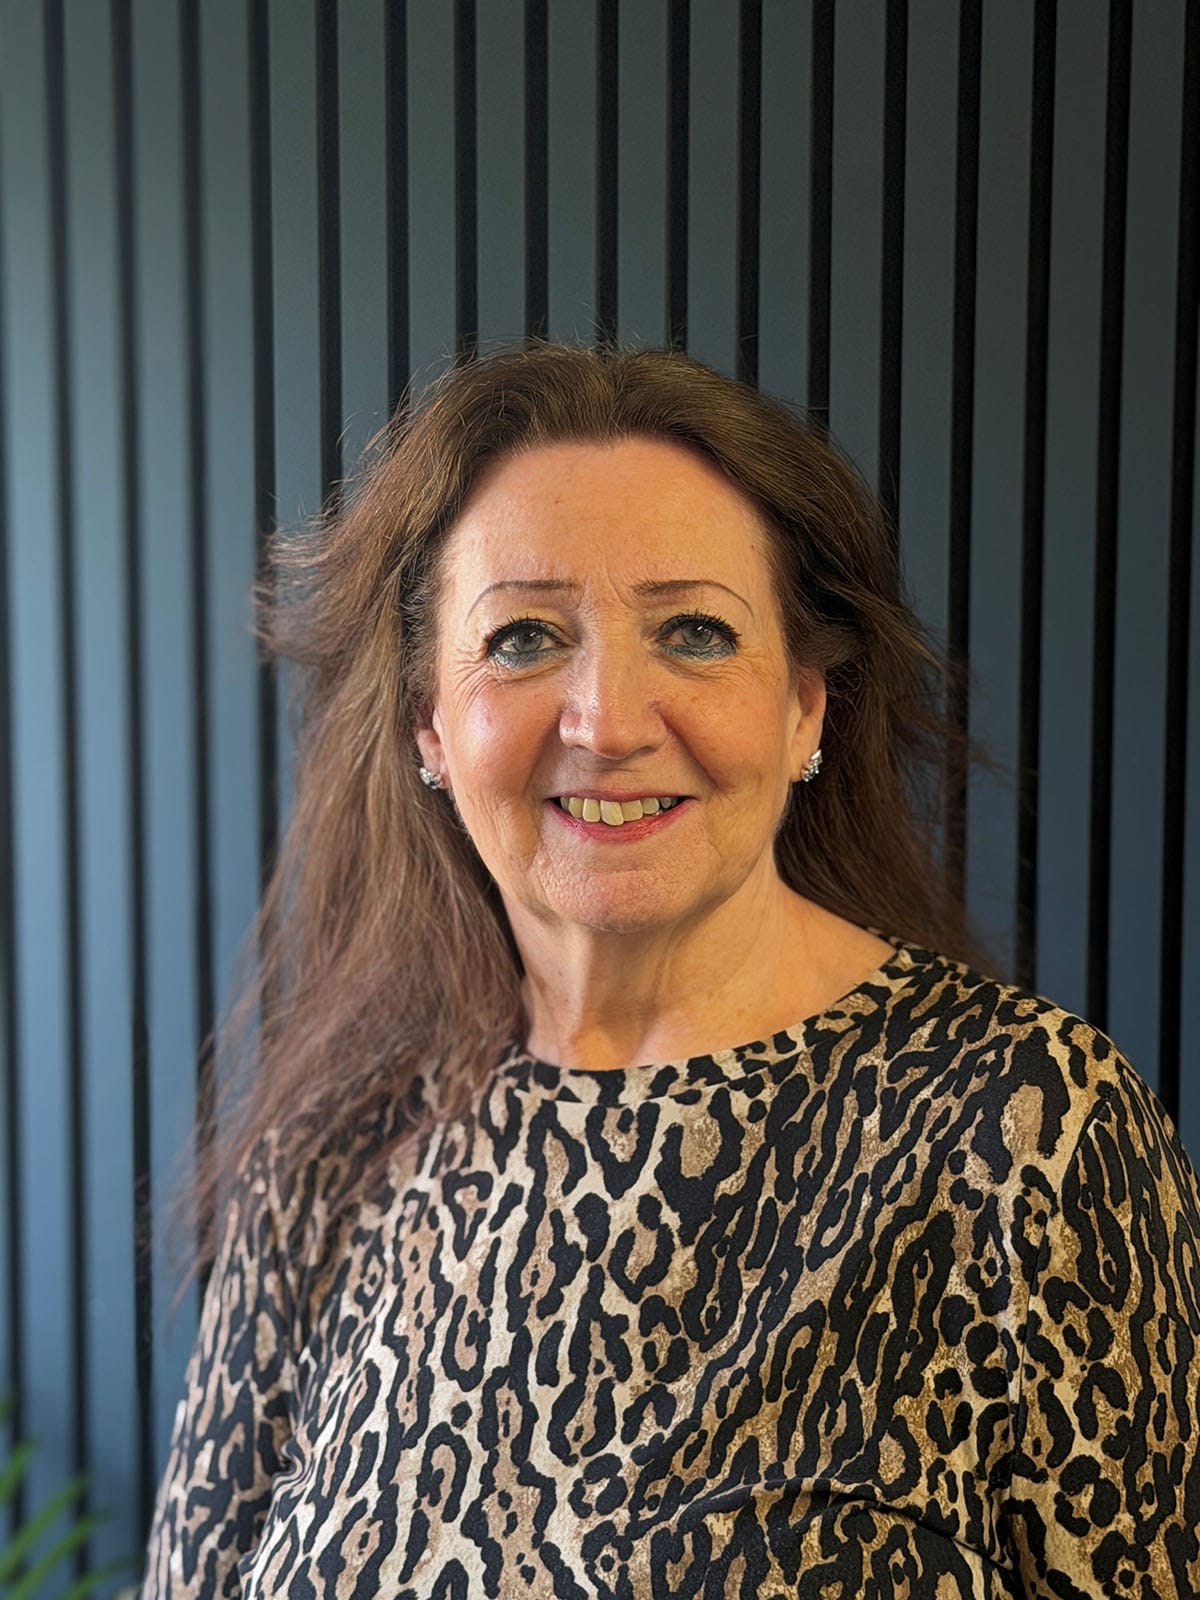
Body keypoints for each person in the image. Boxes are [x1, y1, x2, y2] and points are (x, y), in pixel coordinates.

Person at [140, 340, 1200, 1599]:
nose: (609, 719)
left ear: (805, 704)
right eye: (524, 637)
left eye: (694, 632)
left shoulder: (1026, 1133)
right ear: (431, 721)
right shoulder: (325, 1161)